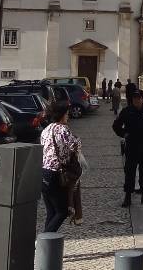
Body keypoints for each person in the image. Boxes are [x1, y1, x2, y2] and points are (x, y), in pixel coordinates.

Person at [40, 100, 81, 233]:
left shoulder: (46, 129)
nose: (68, 116)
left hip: (43, 173)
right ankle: (43, 239)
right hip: (56, 175)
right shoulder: (63, 129)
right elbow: (75, 145)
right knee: (62, 212)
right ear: (62, 115)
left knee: (51, 212)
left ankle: (45, 243)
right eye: (67, 114)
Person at [112, 89, 143, 207]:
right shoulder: (127, 111)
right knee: (130, 172)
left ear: (142, 99)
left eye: (138, 98)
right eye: (134, 98)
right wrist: (124, 134)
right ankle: (128, 197)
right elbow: (116, 125)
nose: (136, 100)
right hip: (132, 147)